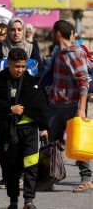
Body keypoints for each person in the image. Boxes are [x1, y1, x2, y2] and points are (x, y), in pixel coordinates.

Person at [0, 17, 44, 189]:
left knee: (23, 141)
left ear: (23, 31)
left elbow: (41, 70)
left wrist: (28, 75)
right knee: (3, 141)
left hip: (25, 100)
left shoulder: (31, 47)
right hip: (5, 98)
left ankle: (21, 174)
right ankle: (7, 176)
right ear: (8, 31)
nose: (16, 33)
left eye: (19, 29)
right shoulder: (0, 47)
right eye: (12, 30)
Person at [0, 48, 49, 209]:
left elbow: (40, 106)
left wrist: (43, 127)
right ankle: (13, 200)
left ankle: (29, 200)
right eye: (16, 66)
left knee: (31, 164)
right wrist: (9, 109)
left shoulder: (31, 81)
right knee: (11, 168)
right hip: (7, 131)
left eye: (22, 66)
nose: (20, 70)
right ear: (9, 64)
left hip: (29, 131)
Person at [44, 20, 92, 193]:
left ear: (57, 33)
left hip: (72, 105)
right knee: (54, 144)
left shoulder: (75, 53)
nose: (51, 33)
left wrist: (81, 108)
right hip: (55, 105)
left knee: (78, 141)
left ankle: (86, 179)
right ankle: (52, 178)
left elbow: (83, 82)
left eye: (52, 30)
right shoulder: (59, 51)